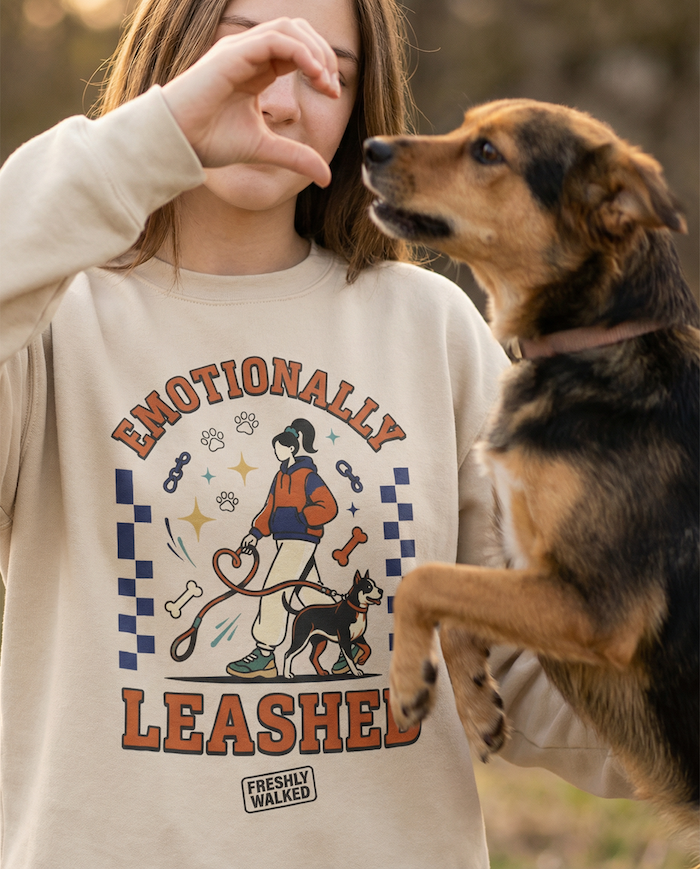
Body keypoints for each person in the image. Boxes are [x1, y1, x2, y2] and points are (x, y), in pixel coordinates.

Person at [0, 0, 631, 866]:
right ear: (171, 54)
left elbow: (524, 665)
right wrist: (147, 145)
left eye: (326, 69)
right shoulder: (50, 320)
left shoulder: (433, 329)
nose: (279, 97)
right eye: (246, 51)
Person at [229, 417, 340, 678]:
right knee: (313, 597)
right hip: (284, 539)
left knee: (275, 590)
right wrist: (255, 533)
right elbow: (269, 507)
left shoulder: (308, 477)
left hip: (301, 540)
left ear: (293, 446)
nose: (277, 450)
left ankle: (265, 654)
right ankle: (355, 641)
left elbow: (329, 507)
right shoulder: (280, 477)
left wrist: (302, 518)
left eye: (280, 446)